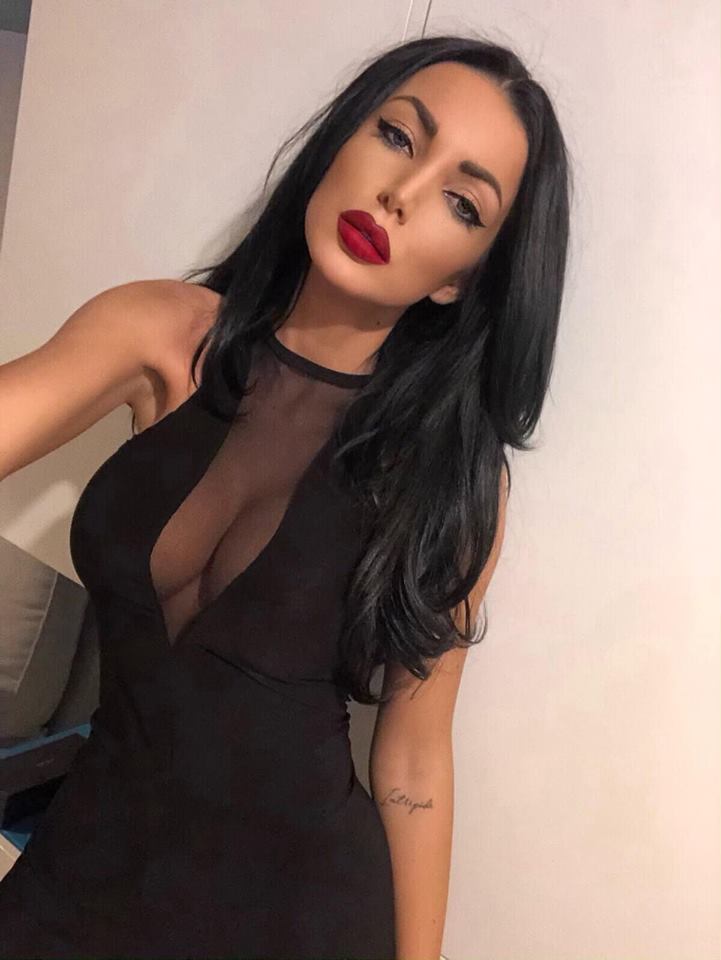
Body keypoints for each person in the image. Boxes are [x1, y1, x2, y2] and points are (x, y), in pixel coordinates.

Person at [0, 32, 570, 960]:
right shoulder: (158, 332)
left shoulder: (452, 476)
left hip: (298, 918)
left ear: (460, 279)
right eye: (397, 136)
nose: (401, 193)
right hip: (82, 869)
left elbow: (413, 758)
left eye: (461, 202)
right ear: (342, 139)